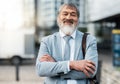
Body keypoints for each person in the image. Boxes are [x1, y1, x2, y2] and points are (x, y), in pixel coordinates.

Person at [36, 3, 98, 84]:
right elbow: (41, 70)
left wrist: (54, 66)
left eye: (73, 14)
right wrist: (72, 64)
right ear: (58, 18)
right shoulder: (47, 41)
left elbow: (91, 71)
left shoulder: (89, 40)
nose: (68, 17)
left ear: (78, 19)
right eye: (65, 14)